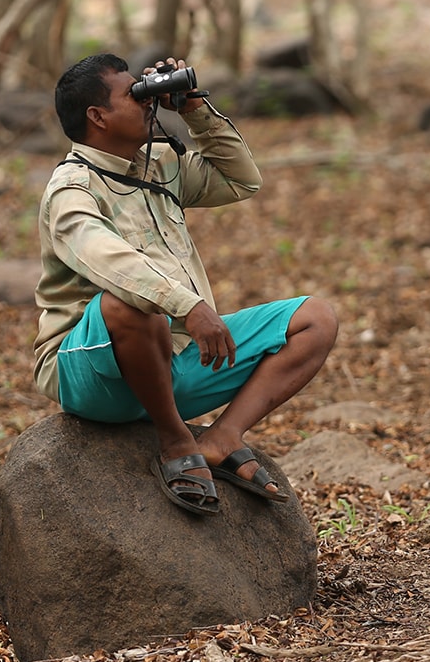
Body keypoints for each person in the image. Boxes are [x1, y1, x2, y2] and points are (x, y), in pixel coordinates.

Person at [32, 52, 338, 516]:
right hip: (92, 372)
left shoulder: (157, 164)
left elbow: (241, 181)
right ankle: (176, 440)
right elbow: (107, 258)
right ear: (98, 116)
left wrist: (193, 108)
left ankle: (222, 437)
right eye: (132, 94)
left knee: (315, 319)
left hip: (172, 361)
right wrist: (189, 306)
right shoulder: (71, 189)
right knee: (131, 303)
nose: (145, 101)